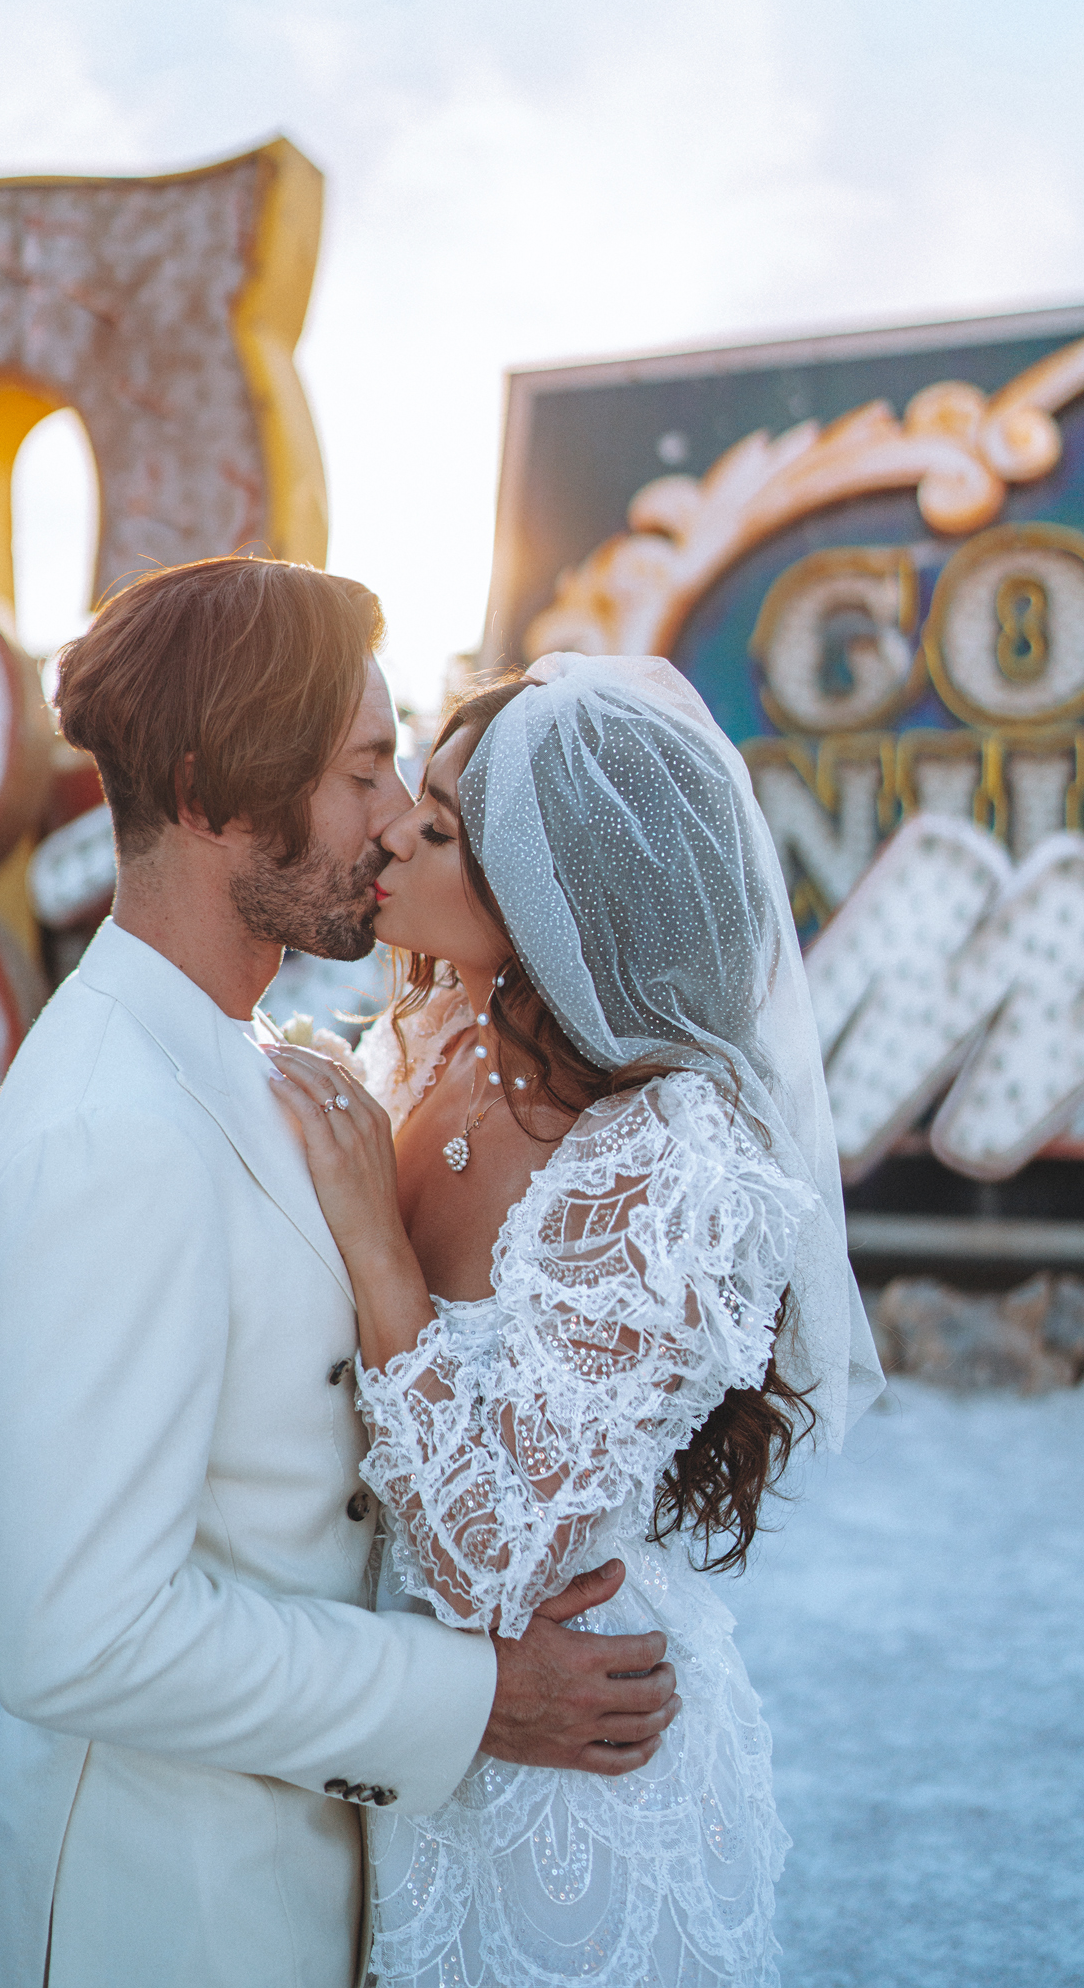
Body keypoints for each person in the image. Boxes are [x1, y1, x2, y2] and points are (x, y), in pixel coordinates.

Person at [0, 564, 682, 1988]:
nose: (402, 813)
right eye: (361, 769)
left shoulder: (251, 1048)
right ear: (213, 789)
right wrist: (476, 1699)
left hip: (309, 1888)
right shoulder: (111, 1127)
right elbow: (77, 1641)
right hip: (160, 1914)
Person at [267, 652, 885, 1988]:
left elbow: (500, 1563)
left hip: (580, 1780)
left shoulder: (672, 1158)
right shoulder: (428, 1039)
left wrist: (377, 1240)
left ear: (553, 888)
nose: (390, 837)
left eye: (437, 830)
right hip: (404, 1741)